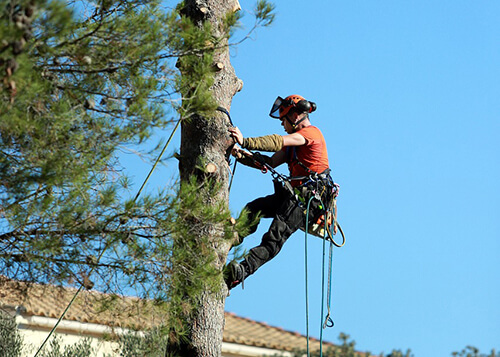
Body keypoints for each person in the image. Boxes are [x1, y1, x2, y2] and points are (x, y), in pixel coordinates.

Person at [225, 94, 333, 289]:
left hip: (308, 199)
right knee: (255, 208)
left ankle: (242, 271)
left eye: (283, 119)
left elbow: (276, 141)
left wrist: (245, 141)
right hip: (295, 196)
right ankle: (233, 236)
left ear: (295, 116)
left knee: (274, 237)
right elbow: (270, 162)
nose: (282, 124)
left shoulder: (310, 134)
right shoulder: (293, 147)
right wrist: (241, 155)